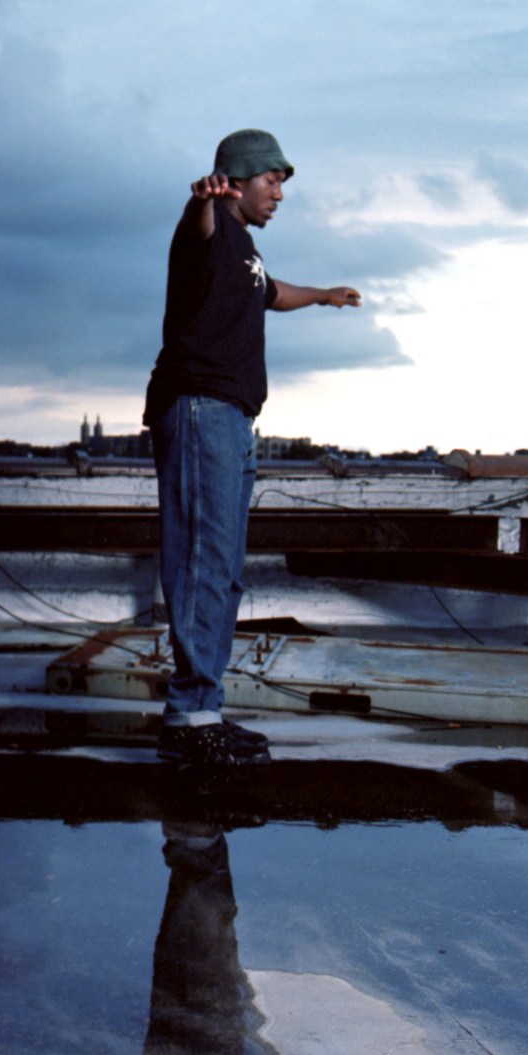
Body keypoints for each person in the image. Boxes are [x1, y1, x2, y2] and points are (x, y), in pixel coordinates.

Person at [142, 128, 360, 766]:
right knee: (202, 563)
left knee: (225, 570)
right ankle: (189, 719)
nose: (280, 195)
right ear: (236, 179)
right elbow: (197, 225)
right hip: (200, 407)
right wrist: (201, 201)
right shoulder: (207, 229)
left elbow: (275, 293)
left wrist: (322, 295)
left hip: (233, 417)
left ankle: (203, 706)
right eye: (273, 182)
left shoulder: (247, 255)